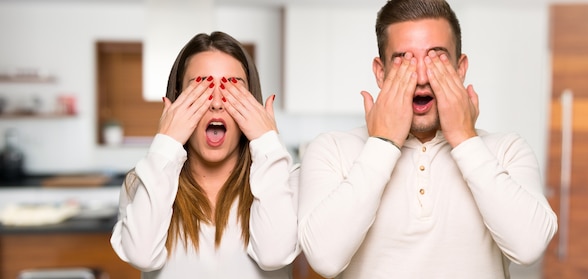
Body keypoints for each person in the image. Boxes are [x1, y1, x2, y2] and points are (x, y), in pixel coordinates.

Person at [297, 0, 558, 278]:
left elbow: (529, 248)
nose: (421, 77)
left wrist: (465, 139)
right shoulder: (332, 150)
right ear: (380, 72)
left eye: (437, 59)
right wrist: (383, 143)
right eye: (404, 61)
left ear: (460, 69)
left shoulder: (506, 150)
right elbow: (324, 258)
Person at [110, 31, 300, 278]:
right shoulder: (139, 183)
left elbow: (273, 255)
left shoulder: (285, 182)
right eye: (200, 90)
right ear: (177, 101)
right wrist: (167, 142)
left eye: (233, 90)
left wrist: (267, 143)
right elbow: (142, 256)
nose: (217, 103)